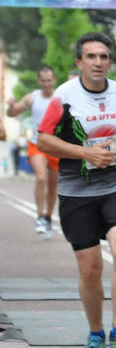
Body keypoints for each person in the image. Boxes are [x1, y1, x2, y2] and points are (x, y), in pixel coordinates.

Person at [35, 32, 116, 348]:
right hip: (75, 192)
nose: (98, 62)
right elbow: (43, 140)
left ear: (109, 61)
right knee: (90, 269)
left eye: (104, 57)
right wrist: (84, 152)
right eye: (91, 57)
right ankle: (95, 333)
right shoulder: (64, 97)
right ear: (79, 62)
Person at [6, 65, 60, 236]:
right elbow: (12, 114)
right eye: (43, 80)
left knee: (53, 187)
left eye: (49, 80)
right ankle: (39, 216)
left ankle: (48, 217)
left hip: (56, 146)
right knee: (41, 177)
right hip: (37, 144)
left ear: (54, 80)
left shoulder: (61, 97)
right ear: (38, 81)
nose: (46, 84)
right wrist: (11, 106)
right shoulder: (32, 97)